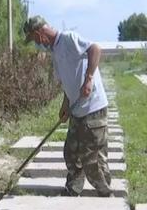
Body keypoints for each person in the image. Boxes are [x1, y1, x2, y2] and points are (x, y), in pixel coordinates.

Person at [23, 16, 113, 197]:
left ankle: (105, 192)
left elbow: (95, 49)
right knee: (71, 153)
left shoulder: (68, 39)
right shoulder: (55, 52)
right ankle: (73, 189)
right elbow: (67, 82)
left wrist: (88, 79)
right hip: (76, 109)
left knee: (91, 159)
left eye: (34, 39)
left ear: (40, 34)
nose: (36, 44)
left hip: (93, 107)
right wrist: (65, 104)